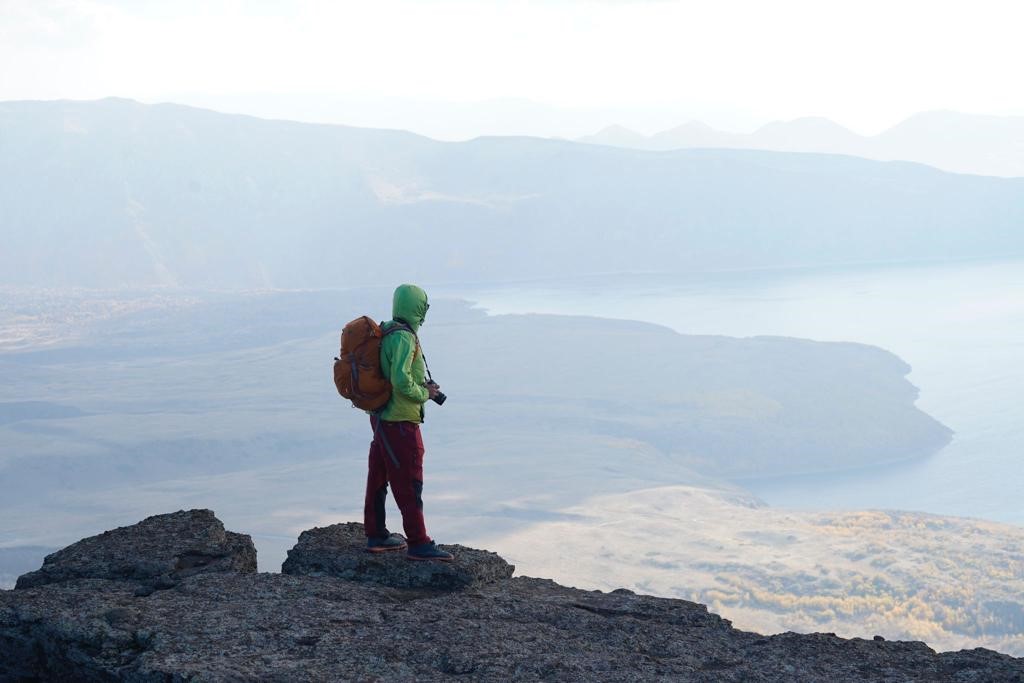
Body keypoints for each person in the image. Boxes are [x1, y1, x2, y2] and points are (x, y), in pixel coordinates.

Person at [363, 283, 454, 561]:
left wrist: (422, 386)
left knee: (378, 477)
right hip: (400, 422)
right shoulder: (404, 338)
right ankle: (418, 542)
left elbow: (394, 374)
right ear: (417, 308)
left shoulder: (387, 331)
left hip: (381, 418)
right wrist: (424, 393)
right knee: (409, 481)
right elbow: (401, 381)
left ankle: (376, 534)